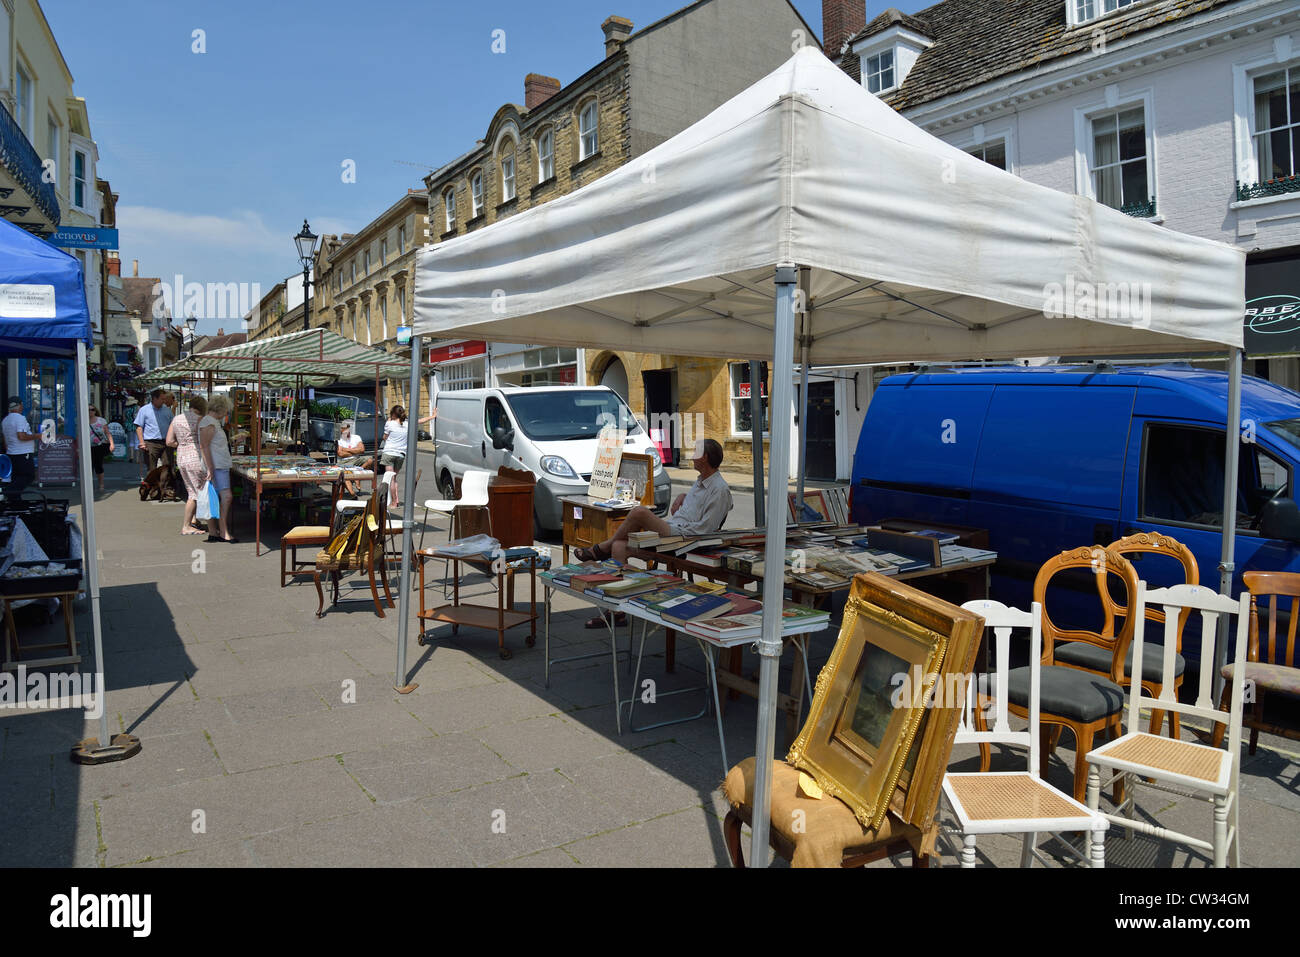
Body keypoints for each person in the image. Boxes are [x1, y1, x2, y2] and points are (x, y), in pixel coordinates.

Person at [166, 394, 209, 536]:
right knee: (195, 493)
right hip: (196, 456)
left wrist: (182, 444)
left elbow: (169, 442)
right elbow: (206, 442)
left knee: (191, 489)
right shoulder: (201, 419)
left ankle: (193, 519)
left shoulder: (177, 419)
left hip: (182, 456)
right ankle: (186, 525)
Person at [378, 405, 435, 509]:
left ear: (393, 414)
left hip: (389, 453)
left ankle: (394, 502)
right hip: (401, 454)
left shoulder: (389, 424)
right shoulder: (408, 424)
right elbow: (421, 421)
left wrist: (390, 419)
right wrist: (433, 416)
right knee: (394, 478)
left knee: (390, 479)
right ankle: (396, 500)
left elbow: (384, 437)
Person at [199, 395, 237, 544]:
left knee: (213, 497)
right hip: (217, 466)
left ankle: (215, 531)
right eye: (226, 410)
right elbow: (205, 446)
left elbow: (210, 445)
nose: (226, 413)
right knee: (225, 496)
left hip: (217, 465)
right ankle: (222, 531)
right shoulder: (209, 422)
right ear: (220, 408)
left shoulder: (211, 422)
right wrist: (210, 468)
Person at [134, 389, 175, 498]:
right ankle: (152, 490)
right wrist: (142, 442)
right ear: (154, 398)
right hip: (151, 442)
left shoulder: (167, 411)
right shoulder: (144, 410)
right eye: (162, 399)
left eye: (165, 398)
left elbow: (173, 426)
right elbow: (139, 427)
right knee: (151, 468)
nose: (164, 401)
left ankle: (166, 489)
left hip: (166, 442)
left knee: (167, 467)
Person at [2, 397, 37, 498]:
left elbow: (5, 441)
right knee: (28, 476)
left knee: (17, 478)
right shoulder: (20, 418)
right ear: (19, 405)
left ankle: (15, 503)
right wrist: (38, 436)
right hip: (22, 453)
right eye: (22, 404)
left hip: (11, 454)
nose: (22, 406)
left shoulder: (5, 420)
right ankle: (7, 492)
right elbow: (21, 436)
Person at [335, 420, 366, 496]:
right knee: (345, 474)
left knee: (370, 460)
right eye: (343, 429)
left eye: (346, 429)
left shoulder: (356, 437)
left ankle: (357, 476)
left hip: (356, 459)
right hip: (344, 461)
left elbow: (362, 450)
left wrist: (346, 449)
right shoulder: (339, 439)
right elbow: (340, 453)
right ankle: (352, 493)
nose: (345, 431)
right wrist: (355, 451)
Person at [88, 404, 114, 492]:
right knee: (88, 467)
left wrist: (112, 444)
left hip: (100, 446)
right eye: (88, 410)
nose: (90, 412)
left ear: (95, 411)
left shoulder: (101, 420)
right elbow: (78, 435)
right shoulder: (83, 421)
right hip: (88, 447)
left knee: (98, 465)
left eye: (92, 410)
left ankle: (101, 484)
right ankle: (88, 486)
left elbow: (107, 433)